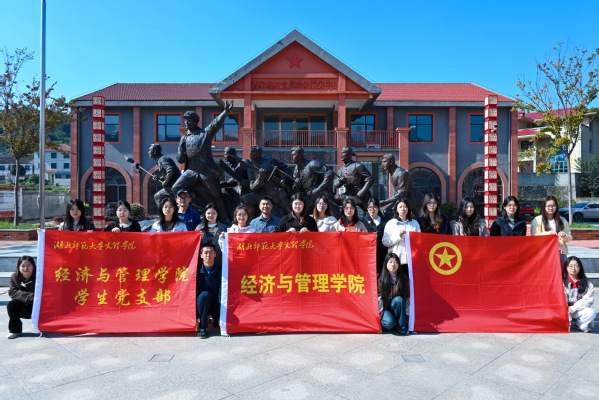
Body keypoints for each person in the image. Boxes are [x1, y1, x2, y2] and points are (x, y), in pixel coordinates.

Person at [172, 102, 233, 221]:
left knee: (217, 195)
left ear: (195, 121)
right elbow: (180, 159)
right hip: (191, 171)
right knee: (176, 187)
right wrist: (181, 151)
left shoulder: (204, 133)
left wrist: (225, 112)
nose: (186, 122)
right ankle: (200, 209)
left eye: (189, 120)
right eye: (185, 120)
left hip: (206, 170)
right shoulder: (184, 138)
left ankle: (225, 218)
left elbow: (215, 124)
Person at [290, 146, 338, 218]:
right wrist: (297, 185)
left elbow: (330, 174)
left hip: (322, 196)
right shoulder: (296, 169)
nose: (292, 157)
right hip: (308, 198)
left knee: (334, 217)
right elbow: (295, 188)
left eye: (293, 155)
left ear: (299, 156)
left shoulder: (312, 164)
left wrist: (319, 188)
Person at [531, 196, 572, 266]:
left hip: (560, 252)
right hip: (544, 252)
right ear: (544, 207)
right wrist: (548, 234)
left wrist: (564, 235)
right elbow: (534, 237)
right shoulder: (537, 220)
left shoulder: (562, 220)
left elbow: (570, 238)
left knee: (560, 271)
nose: (551, 208)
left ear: (556, 207)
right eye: (548, 206)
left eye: (553, 205)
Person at [380, 153, 423, 218]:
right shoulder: (392, 172)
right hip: (404, 199)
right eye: (382, 162)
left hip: (414, 201)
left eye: (384, 162)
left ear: (391, 162)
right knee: (388, 211)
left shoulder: (401, 173)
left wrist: (386, 202)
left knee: (419, 219)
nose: (382, 164)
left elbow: (402, 192)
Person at [332, 147, 374, 212]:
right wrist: (340, 182)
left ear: (349, 155)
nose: (341, 155)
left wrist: (362, 192)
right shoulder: (341, 169)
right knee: (333, 199)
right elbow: (335, 185)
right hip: (348, 195)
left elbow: (370, 179)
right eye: (341, 153)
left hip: (360, 197)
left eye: (343, 153)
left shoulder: (358, 166)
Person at [382, 198, 421, 267]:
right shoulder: (391, 223)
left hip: (412, 259)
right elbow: (385, 242)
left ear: (408, 209)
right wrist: (398, 236)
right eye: (400, 207)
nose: (403, 209)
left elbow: (420, 240)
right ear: (396, 209)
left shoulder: (414, 223)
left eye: (405, 206)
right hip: (396, 260)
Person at [378, 253, 410, 335]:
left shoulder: (403, 278)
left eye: (396, 262)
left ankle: (401, 328)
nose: (393, 264)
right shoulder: (380, 278)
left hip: (398, 307)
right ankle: (393, 323)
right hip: (385, 308)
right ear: (386, 264)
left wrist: (407, 316)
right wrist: (380, 313)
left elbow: (407, 297)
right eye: (390, 262)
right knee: (389, 323)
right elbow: (379, 297)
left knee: (399, 300)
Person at [563, 256, 596, 333]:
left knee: (591, 312)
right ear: (566, 267)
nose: (573, 268)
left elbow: (588, 300)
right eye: (571, 266)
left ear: (580, 268)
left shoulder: (587, 283)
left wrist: (574, 307)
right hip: (564, 311)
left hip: (577, 310)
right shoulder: (562, 282)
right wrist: (568, 321)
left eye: (576, 266)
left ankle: (580, 325)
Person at [196, 243, 221, 339]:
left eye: (211, 252)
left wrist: (222, 315)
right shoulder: (197, 272)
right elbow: (194, 294)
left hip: (217, 305)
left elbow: (222, 292)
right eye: (205, 252)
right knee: (204, 295)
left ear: (215, 254)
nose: (208, 255)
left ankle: (216, 319)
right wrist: (195, 316)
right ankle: (203, 328)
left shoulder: (221, 270)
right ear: (201, 255)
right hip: (203, 305)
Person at [7, 256, 36, 339]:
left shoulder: (40, 276)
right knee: (12, 305)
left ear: (33, 266)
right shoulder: (14, 277)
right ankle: (15, 330)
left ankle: (46, 326)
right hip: (23, 305)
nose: (26, 268)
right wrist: (30, 296)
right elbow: (12, 292)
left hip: (38, 305)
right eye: (23, 266)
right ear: (18, 267)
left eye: (29, 265)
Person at [148, 143, 181, 210]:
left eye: (150, 150)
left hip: (175, 186)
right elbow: (170, 173)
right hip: (173, 185)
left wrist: (165, 182)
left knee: (157, 196)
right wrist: (160, 178)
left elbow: (171, 171)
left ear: (154, 151)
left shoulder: (162, 159)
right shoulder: (160, 159)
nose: (148, 152)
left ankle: (162, 214)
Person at [361, 198, 389, 273]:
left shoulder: (385, 221)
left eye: (375, 207)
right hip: (369, 253)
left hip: (382, 252)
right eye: (370, 207)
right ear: (367, 208)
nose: (372, 210)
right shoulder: (363, 221)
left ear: (378, 208)